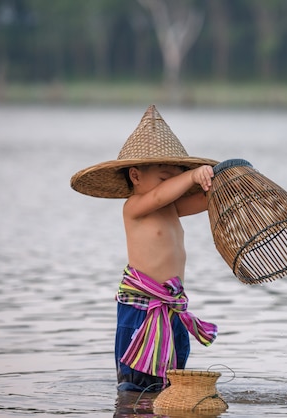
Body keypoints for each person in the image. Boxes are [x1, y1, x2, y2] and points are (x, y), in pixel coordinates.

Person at [70, 105, 219, 391]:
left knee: (169, 386)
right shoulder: (134, 207)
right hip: (141, 310)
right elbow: (162, 195)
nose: (174, 183)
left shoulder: (172, 207)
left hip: (171, 308)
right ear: (135, 176)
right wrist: (188, 177)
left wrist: (224, 181)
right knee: (135, 388)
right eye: (167, 178)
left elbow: (205, 200)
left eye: (178, 175)